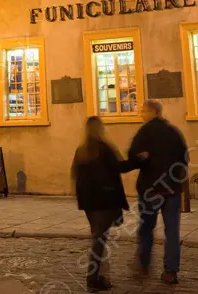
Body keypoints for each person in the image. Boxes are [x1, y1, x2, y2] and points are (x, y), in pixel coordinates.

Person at [128, 99, 188, 286]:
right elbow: (184, 158)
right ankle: (171, 271)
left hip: (151, 189)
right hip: (171, 189)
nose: (141, 114)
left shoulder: (145, 132)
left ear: (153, 112)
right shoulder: (173, 132)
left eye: (143, 110)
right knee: (172, 231)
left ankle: (144, 263)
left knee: (146, 228)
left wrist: (141, 160)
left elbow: (133, 157)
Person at [72, 116, 135, 292]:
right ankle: (93, 277)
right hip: (104, 201)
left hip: (89, 203)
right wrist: (138, 159)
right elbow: (119, 167)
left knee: (98, 237)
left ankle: (100, 274)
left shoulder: (82, 150)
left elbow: (76, 176)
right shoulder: (104, 149)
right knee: (99, 240)